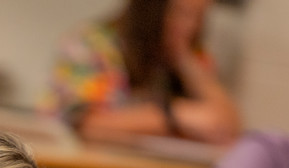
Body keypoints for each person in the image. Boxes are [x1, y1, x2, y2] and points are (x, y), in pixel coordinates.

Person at [41, 0, 240, 145]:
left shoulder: (193, 56)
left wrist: (183, 59)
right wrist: (173, 115)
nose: (190, 27)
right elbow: (87, 125)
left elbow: (228, 127)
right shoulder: (93, 42)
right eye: (182, 12)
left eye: (199, 17)